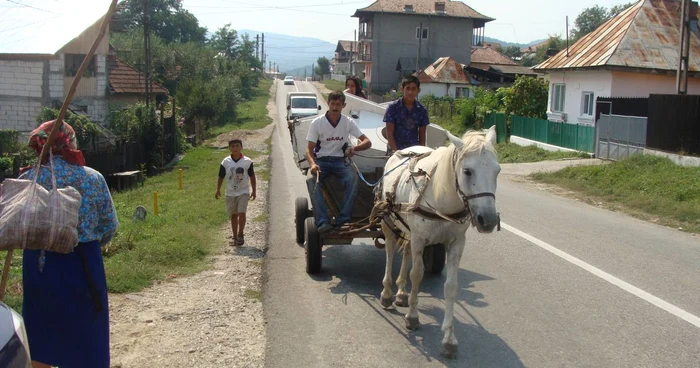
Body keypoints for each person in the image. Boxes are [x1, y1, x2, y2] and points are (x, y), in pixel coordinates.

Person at [18, 120, 119, 368]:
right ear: (69, 143)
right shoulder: (91, 178)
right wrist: (94, 241)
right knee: (86, 335)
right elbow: (109, 225)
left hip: (39, 263)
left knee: (41, 335)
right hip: (82, 263)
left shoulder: (26, 179)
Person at [306, 91, 372, 233]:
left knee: (353, 178)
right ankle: (323, 221)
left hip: (339, 161)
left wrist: (354, 148)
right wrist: (312, 164)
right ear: (328, 104)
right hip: (321, 161)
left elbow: (367, 141)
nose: (335, 107)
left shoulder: (347, 122)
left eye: (338, 104)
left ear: (343, 105)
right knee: (311, 181)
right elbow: (309, 150)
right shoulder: (317, 123)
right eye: (332, 104)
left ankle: (344, 219)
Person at [216, 139, 257, 246]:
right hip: (230, 193)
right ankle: (234, 236)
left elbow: (252, 176)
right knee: (233, 215)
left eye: (237, 146)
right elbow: (221, 176)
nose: (235, 148)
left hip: (243, 192)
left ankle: (241, 234)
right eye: (233, 146)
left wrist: (254, 190)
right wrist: (218, 189)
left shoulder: (247, 161)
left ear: (241, 147)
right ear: (230, 148)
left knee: (241, 213)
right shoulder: (226, 162)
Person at [383, 75, 430, 154]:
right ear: (402, 89)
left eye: (413, 89)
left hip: (414, 152)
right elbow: (389, 134)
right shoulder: (393, 108)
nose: (410, 92)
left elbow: (422, 135)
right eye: (407, 88)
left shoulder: (422, 110)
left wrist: (421, 153)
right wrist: (396, 152)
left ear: (418, 90)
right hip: (395, 151)